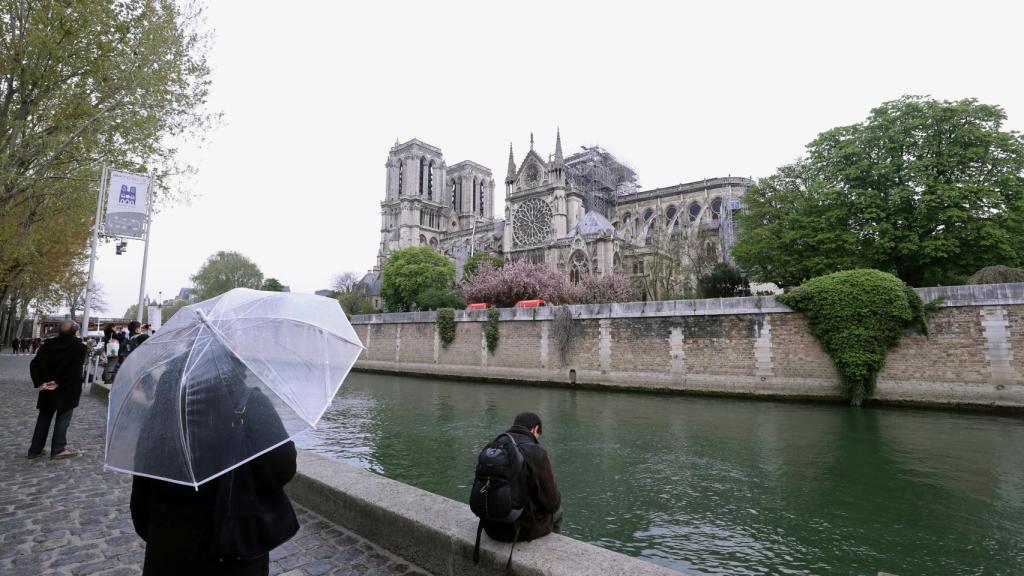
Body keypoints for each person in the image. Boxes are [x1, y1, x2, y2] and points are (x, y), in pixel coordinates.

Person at [130, 354, 300, 576]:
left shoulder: (160, 411)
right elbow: (282, 469)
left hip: (168, 549)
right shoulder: (250, 403)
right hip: (232, 545)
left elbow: (142, 481)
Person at [482, 412, 562, 542]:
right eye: (538, 435)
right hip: (518, 530)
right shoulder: (536, 452)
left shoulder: (493, 445)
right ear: (535, 429)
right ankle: (553, 551)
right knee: (558, 512)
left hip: (489, 527)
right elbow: (551, 504)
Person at [27, 320, 88, 460]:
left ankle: (35, 449)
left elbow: (34, 364)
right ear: (75, 331)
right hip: (67, 389)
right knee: (63, 419)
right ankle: (58, 449)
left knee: (44, 418)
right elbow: (74, 371)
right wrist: (59, 382)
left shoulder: (47, 344)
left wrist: (40, 382)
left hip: (47, 387)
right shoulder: (78, 347)